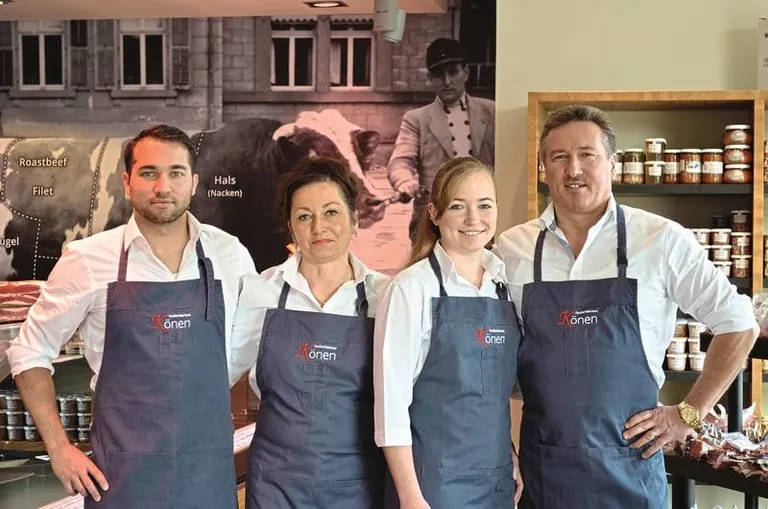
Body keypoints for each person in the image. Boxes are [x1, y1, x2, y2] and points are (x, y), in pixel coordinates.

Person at [495, 104, 759, 508]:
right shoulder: (511, 249)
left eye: (587, 155)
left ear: (613, 164)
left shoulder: (660, 240)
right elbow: (489, 361)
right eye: (559, 157)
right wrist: (500, 446)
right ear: (544, 168)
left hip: (632, 473)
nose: (573, 169)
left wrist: (688, 413)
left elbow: (739, 324)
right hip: (543, 474)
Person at [6, 124, 257, 508]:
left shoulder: (230, 254)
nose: (163, 187)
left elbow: (252, 343)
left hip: (207, 476)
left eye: (176, 173)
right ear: (126, 183)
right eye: (149, 173)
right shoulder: (88, 260)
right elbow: (28, 353)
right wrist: (59, 448)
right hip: (122, 479)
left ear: (193, 183)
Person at [228, 156, 390, 509]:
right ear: (290, 227)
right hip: (276, 486)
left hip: (358, 486)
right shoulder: (260, 291)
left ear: (355, 220)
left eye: (331, 212)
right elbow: (217, 375)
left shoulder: (385, 296)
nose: (319, 227)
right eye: (304, 216)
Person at [374, 156, 523, 509]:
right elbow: (390, 405)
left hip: (497, 480)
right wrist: (410, 496)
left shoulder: (503, 286)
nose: (474, 219)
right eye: (458, 206)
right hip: (432, 485)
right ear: (434, 213)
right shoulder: (411, 289)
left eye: (484, 205)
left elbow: (487, 396)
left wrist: (509, 452)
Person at [386, 37, 495, 242]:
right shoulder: (416, 119)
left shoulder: (492, 113)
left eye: (453, 72)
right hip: (433, 222)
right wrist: (404, 181)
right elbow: (400, 160)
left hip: (482, 221)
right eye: (438, 75)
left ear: (466, 72)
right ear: (430, 78)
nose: (446, 82)